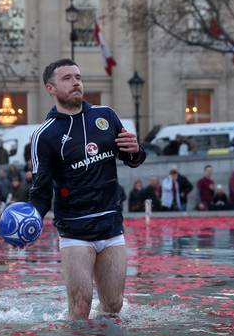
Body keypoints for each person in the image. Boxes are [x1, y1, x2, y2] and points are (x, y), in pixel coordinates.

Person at [29, 58, 146, 320]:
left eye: (78, 77)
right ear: (50, 88)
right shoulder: (45, 135)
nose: (75, 83)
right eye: (67, 78)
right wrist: (31, 218)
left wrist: (136, 150)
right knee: (81, 307)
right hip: (75, 231)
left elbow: (133, 159)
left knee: (114, 306)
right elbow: (41, 190)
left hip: (111, 227)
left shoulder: (105, 116)